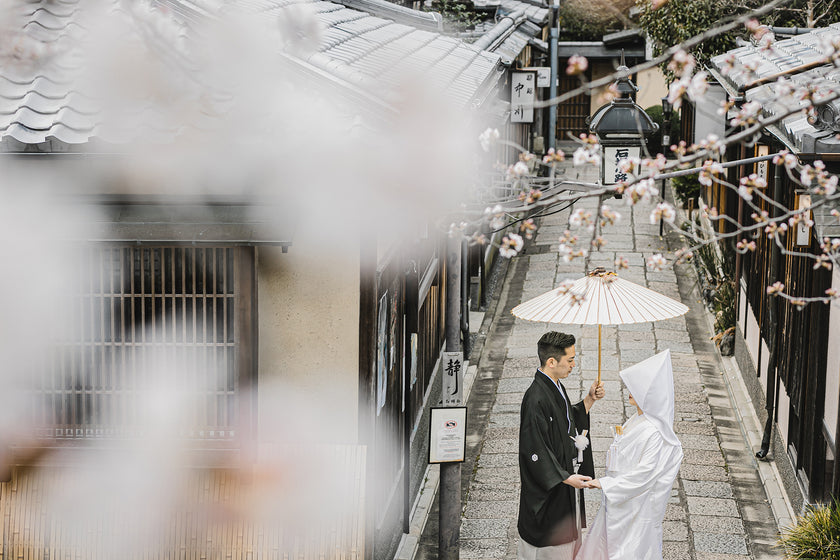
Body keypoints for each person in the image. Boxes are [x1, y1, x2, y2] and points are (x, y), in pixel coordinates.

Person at [576, 349, 684, 560]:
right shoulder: (637, 419)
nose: (630, 391)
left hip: (637, 507)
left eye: (637, 388)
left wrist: (605, 484)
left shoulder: (656, 433)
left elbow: (645, 473)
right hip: (619, 500)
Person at [517, 331, 605, 560]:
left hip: (565, 485)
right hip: (549, 495)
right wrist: (565, 477)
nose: (574, 365)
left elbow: (566, 421)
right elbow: (534, 449)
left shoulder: (555, 386)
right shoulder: (535, 398)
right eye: (570, 359)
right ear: (551, 361)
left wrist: (588, 401)